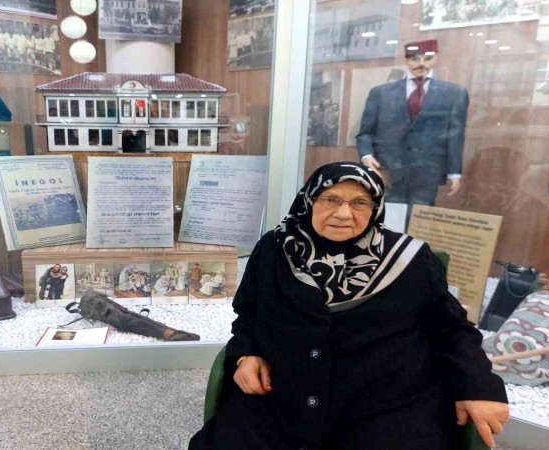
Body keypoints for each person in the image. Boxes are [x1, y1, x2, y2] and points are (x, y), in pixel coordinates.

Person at [190, 162, 508, 449]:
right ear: (309, 200)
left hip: (385, 408)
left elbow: (452, 329)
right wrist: (246, 353)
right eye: (330, 200)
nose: (344, 214)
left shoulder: (409, 260)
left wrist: (478, 386)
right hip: (282, 396)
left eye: (359, 202)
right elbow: (249, 312)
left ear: (375, 207)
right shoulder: (275, 249)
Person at [357, 40, 468, 225]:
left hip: (428, 171)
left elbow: (456, 136)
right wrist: (367, 155)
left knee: (419, 223)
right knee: (388, 221)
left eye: (428, 58)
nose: (421, 64)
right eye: (415, 59)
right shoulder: (381, 93)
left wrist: (454, 172)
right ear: (406, 60)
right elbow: (366, 132)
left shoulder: (454, 94)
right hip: (389, 170)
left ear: (436, 59)